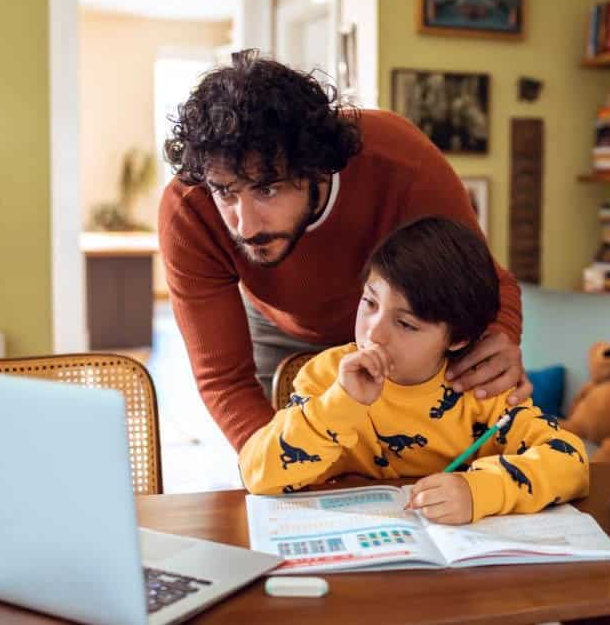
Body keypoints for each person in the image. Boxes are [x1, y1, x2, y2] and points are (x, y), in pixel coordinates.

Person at [159, 50, 529, 452]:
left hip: (399, 328)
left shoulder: (402, 163)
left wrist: (499, 337)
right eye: (226, 193)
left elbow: (485, 281)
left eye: (268, 189)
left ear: (316, 166)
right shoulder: (188, 210)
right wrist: (278, 468)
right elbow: (225, 379)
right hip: (277, 330)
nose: (245, 226)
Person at [238, 217, 589, 524]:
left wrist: (480, 491)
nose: (374, 332)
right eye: (370, 302)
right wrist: (339, 404)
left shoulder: (482, 388)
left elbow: (571, 461)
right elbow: (256, 474)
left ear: (458, 337)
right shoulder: (326, 376)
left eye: (405, 323)